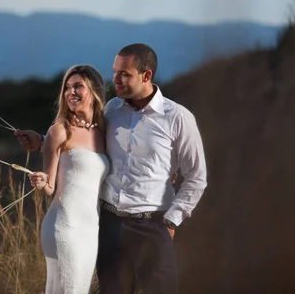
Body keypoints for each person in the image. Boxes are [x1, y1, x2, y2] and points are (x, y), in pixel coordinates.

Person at [16, 44, 207, 294]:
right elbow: (85, 148)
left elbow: (196, 177)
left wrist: (171, 221)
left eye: (124, 74)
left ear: (146, 75)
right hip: (108, 225)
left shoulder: (178, 118)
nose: (115, 79)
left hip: (153, 226)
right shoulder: (111, 110)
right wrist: (43, 142)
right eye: (115, 71)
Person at [27, 64, 110, 294]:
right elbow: (49, 186)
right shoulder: (60, 130)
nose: (70, 92)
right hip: (64, 226)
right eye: (67, 87)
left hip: (90, 231)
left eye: (78, 86)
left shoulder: (104, 133)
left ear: (94, 91)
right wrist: (42, 181)